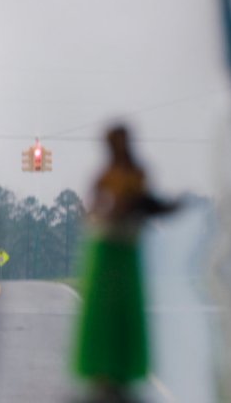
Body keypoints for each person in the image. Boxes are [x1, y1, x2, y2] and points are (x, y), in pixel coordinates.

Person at [72, 124, 179, 402]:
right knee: (103, 309)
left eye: (120, 141)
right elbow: (93, 206)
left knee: (126, 307)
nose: (117, 147)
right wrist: (105, 213)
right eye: (113, 143)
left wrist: (160, 208)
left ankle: (123, 371)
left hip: (128, 247)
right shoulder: (106, 175)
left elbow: (147, 203)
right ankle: (101, 372)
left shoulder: (137, 173)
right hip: (107, 245)